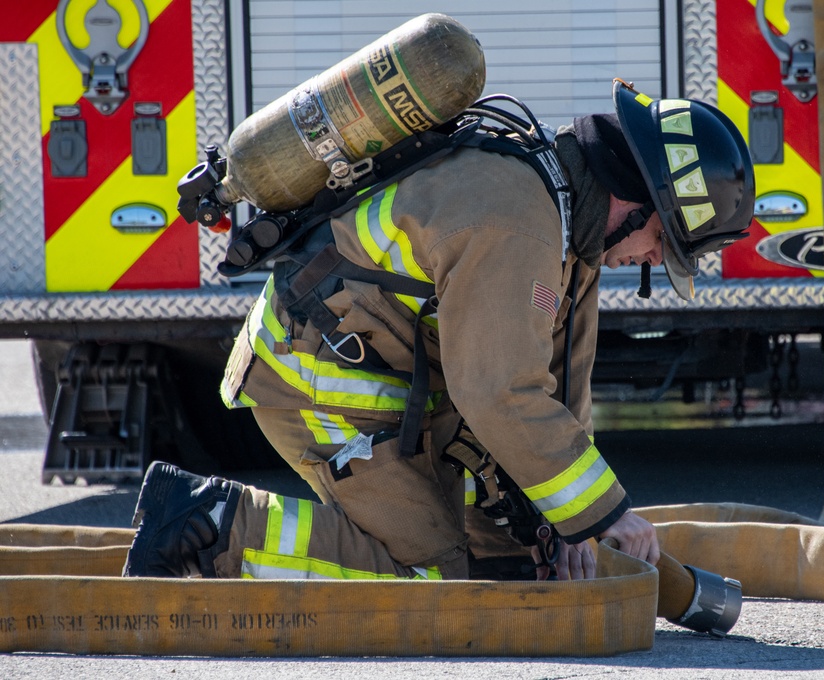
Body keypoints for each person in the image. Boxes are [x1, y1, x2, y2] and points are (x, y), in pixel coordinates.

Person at [122, 78, 755, 584]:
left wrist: (558, 525)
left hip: (392, 383)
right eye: (660, 242)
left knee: (500, 571)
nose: (650, 260)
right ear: (633, 199)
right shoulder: (517, 221)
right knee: (430, 577)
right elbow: (498, 393)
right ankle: (208, 523)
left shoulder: (570, 232)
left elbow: (558, 389)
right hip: (320, 380)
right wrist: (606, 513)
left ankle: (493, 555)